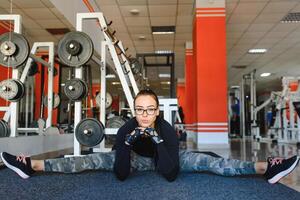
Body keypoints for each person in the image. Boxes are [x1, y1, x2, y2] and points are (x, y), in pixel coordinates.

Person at [0, 89, 299, 184]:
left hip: (167, 156)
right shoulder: (129, 128)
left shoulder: (166, 128)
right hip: (133, 159)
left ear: (157, 111)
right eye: (140, 110)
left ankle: (266, 168)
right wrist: (127, 143)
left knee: (211, 163)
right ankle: (32, 166)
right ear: (134, 110)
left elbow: (170, 173)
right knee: (88, 160)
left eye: (150, 110)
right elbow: (121, 174)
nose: (145, 114)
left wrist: (156, 140)